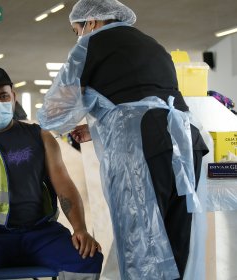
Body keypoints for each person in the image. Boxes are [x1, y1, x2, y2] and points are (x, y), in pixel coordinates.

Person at [37, 0, 209, 279]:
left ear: (90, 22)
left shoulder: (91, 44)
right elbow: (144, 98)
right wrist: (97, 127)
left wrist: (43, 123)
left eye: (76, 29)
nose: (78, 36)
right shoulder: (152, 45)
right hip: (186, 145)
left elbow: (56, 110)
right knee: (176, 239)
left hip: (143, 148)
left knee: (141, 242)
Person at [0, 67, 103, 279]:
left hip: (40, 232)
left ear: (13, 97)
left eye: (3, 96)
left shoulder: (40, 136)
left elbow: (65, 187)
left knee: (87, 258)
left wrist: (80, 229)